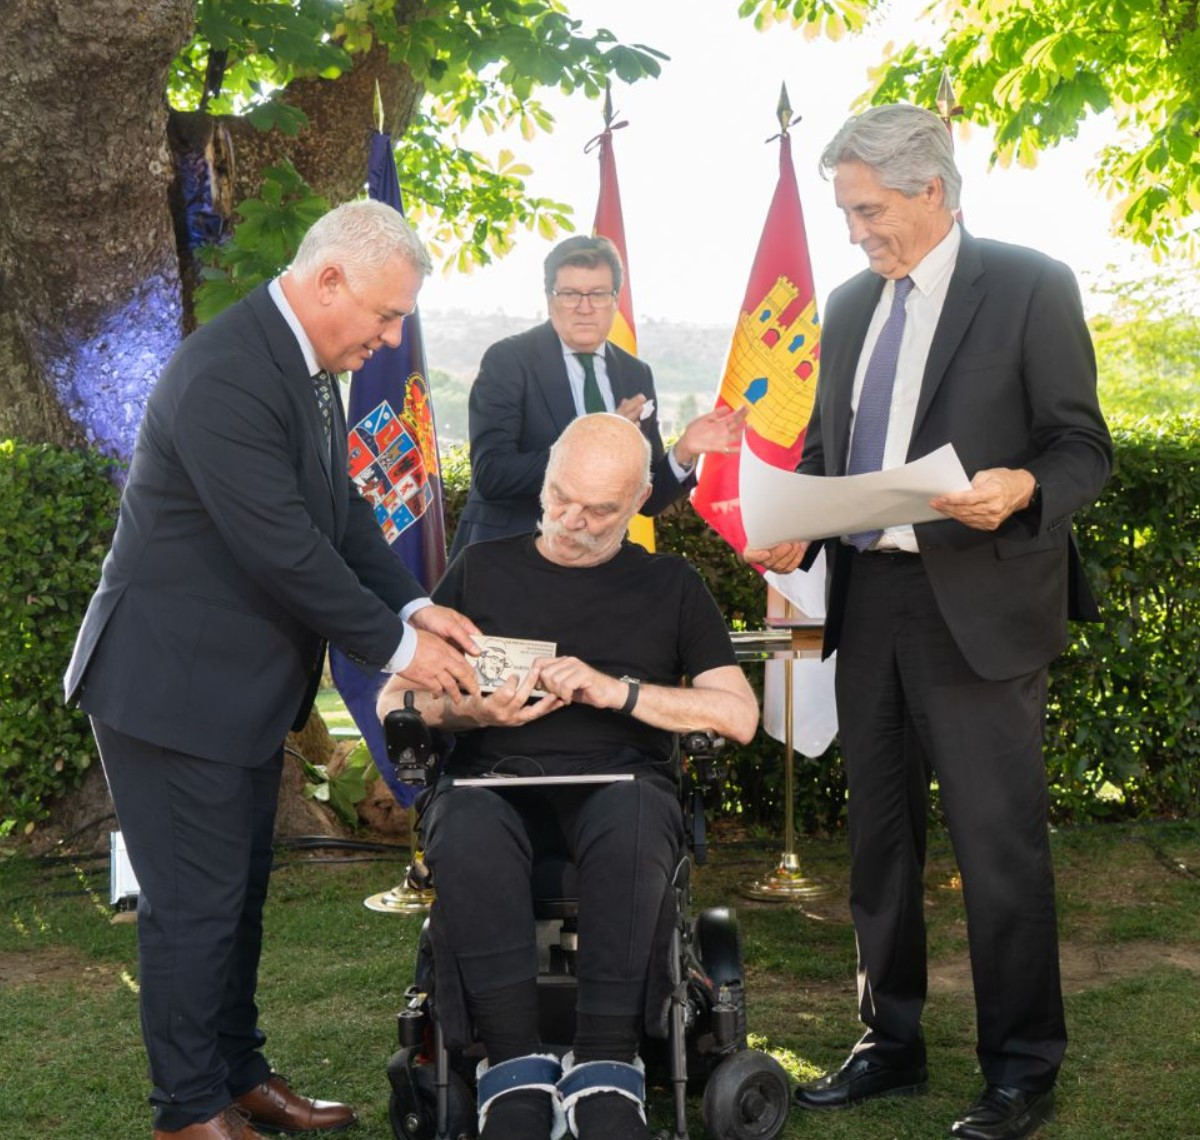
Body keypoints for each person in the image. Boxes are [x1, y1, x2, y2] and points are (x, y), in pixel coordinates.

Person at [64, 201, 482, 1140]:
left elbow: (340, 523)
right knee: (192, 907)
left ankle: (238, 1075)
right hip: (169, 689)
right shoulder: (225, 372)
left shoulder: (307, 367)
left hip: (234, 694)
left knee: (239, 893)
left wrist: (418, 605)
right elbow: (285, 553)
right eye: (383, 315)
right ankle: (187, 1111)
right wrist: (408, 655)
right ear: (328, 280)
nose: (390, 338)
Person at [745, 105, 1112, 1140]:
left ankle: (1022, 1067)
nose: (855, 232)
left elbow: (1083, 446)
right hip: (874, 603)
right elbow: (835, 455)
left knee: (998, 847)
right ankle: (888, 1042)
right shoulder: (853, 304)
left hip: (985, 607)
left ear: (932, 193)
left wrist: (1023, 486)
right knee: (880, 843)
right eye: (846, 213)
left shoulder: (1033, 284)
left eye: (868, 210)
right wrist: (795, 531)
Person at [378, 414, 759, 1140]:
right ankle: (512, 1068)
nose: (568, 520)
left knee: (634, 816)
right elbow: (395, 701)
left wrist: (620, 692)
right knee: (463, 822)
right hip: (492, 779)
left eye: (598, 510)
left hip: (621, 785)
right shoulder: (480, 569)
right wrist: (463, 710)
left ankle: (607, 1068)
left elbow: (736, 714)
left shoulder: (671, 584)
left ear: (643, 497)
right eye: (558, 497)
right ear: (547, 474)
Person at [449, 234, 747, 555]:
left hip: (598, 564)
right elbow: (492, 474)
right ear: (550, 300)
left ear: (615, 301)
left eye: (599, 294)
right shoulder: (509, 360)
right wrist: (597, 438)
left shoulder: (635, 373)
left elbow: (649, 497)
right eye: (570, 294)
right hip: (509, 557)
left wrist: (685, 451)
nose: (585, 308)